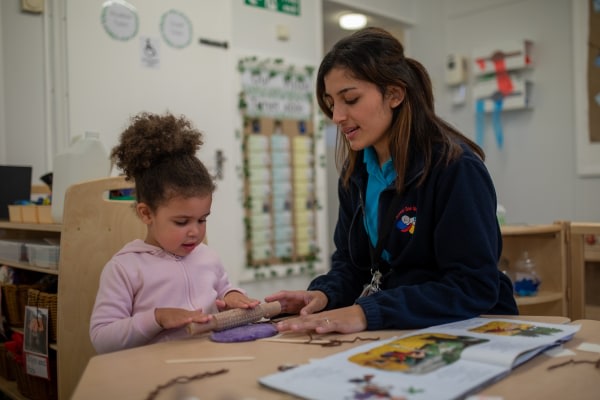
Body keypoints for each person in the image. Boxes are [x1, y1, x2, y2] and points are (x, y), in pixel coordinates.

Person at [265, 27, 518, 334]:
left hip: (475, 329)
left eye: (351, 99)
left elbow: (473, 286)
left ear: (395, 94)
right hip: (403, 328)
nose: (337, 116)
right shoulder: (355, 174)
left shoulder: (456, 169)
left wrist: (366, 313)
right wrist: (323, 294)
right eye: (332, 103)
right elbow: (352, 264)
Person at [90, 112, 259, 354]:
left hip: (210, 360)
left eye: (203, 219)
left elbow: (223, 288)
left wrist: (232, 295)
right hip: (153, 374)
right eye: (182, 222)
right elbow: (101, 339)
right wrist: (156, 318)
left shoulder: (208, 257)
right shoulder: (124, 269)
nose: (195, 232)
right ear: (146, 214)